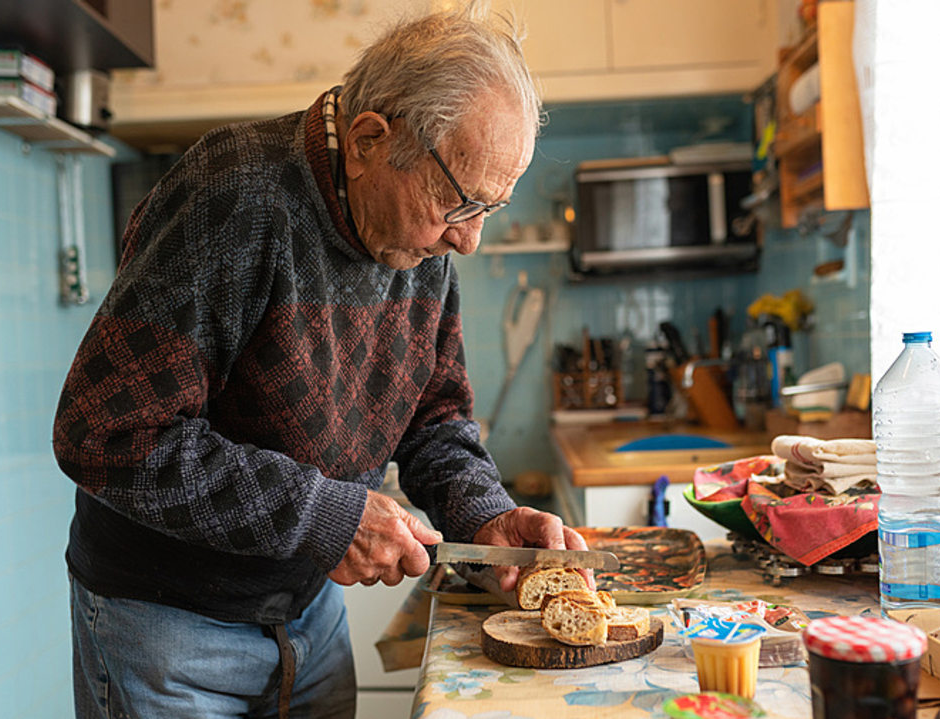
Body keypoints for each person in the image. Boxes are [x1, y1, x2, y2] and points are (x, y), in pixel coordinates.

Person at [52, 3, 590, 718]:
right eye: (460, 204)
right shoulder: (234, 197)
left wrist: (485, 517)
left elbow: (432, 417)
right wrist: (324, 516)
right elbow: (106, 433)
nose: (470, 242)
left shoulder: (419, 236)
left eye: (491, 207)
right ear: (369, 139)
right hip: (168, 628)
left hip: (307, 614)